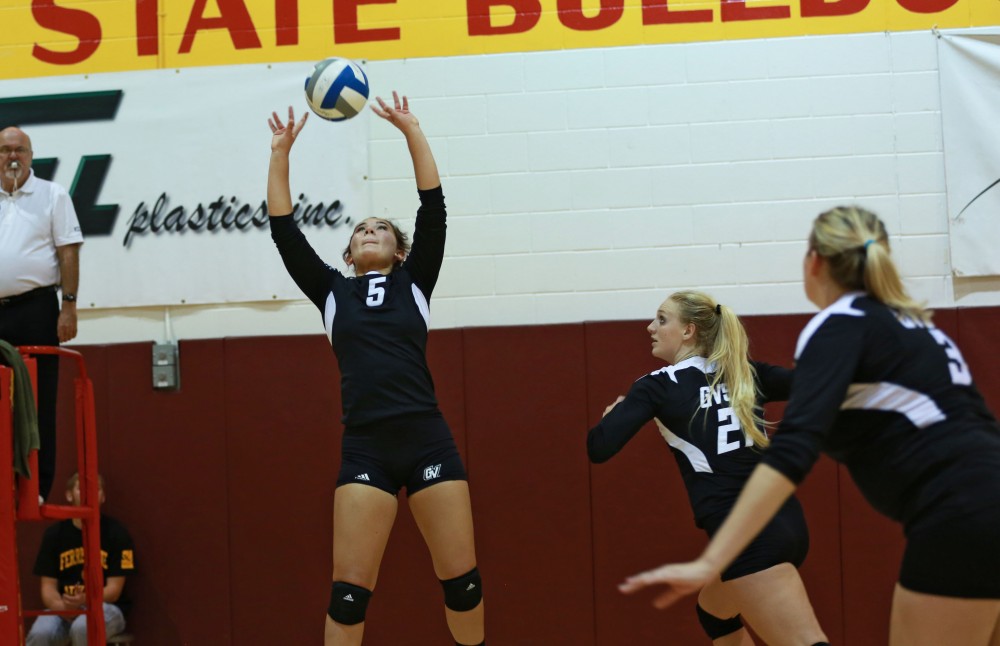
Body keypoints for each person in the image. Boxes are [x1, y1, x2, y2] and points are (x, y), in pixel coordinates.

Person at [620, 206, 1000, 645]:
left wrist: (712, 561)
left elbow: (792, 452)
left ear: (814, 261)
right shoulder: (918, 327)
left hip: (960, 513)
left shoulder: (838, 325)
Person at [266, 94, 485, 646]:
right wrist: (280, 153)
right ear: (347, 253)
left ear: (399, 249)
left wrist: (411, 130)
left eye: (381, 228)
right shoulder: (332, 292)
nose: (369, 230)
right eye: (361, 228)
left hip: (427, 438)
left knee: (461, 584)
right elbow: (284, 230)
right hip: (366, 446)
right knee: (348, 593)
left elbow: (432, 206)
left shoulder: (416, 282)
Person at [588, 290, 828, 646]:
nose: (650, 327)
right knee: (714, 613)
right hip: (788, 525)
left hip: (748, 539)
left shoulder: (657, 386)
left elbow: (599, 447)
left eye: (662, 319)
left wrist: (610, 419)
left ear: (688, 331)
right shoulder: (745, 373)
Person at [0, 126, 83, 501]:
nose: (12, 156)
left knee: (39, 398)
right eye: (4, 150)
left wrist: (68, 306)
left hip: (37, 307)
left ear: (31, 156)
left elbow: (68, 251)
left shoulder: (53, 195)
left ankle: (37, 485)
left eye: (19, 150)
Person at [26, 472, 135, 645]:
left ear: (103, 497)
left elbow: (114, 592)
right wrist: (63, 607)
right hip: (65, 607)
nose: (88, 493)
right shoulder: (54, 534)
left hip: (106, 607)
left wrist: (85, 599)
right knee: (41, 632)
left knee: (83, 627)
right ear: (69, 495)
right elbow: (47, 588)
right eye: (81, 488)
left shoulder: (116, 533)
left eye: (96, 489)